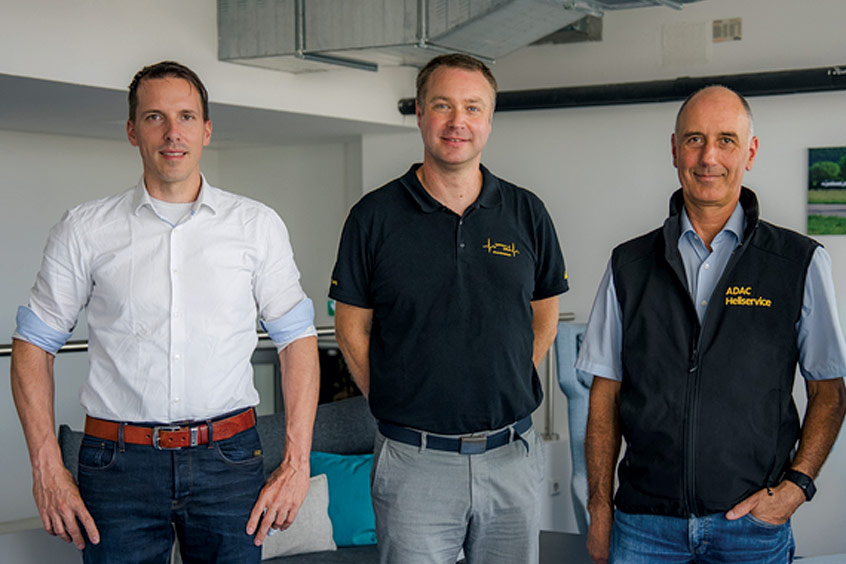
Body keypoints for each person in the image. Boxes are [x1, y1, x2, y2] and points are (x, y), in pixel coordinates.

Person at [10, 61, 319, 563]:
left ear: (207, 130)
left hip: (229, 459)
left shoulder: (256, 226)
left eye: (187, 117)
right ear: (132, 131)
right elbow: (33, 344)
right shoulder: (85, 229)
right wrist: (46, 466)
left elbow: (297, 340)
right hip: (117, 467)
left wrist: (297, 462)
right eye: (155, 117)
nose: (172, 133)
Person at [577, 85, 846, 564]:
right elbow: (605, 393)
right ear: (674, 148)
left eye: (726, 140)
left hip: (750, 528)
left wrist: (796, 487)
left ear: (751, 152)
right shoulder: (629, 264)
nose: (708, 157)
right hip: (643, 527)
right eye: (694, 139)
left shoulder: (799, 262)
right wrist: (600, 510)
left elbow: (830, 389)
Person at [329, 53, 568, 564]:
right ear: (419, 113)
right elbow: (351, 328)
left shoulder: (527, 212)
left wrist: (514, 372)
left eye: (472, 107)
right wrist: (393, 396)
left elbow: (545, 306)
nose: (458, 121)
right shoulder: (373, 217)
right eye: (443, 105)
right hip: (413, 462)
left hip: (513, 457)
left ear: (489, 119)